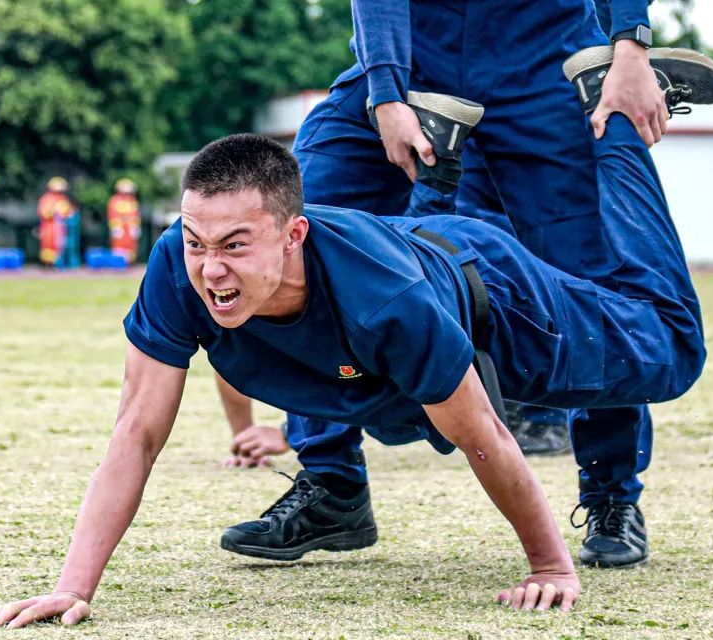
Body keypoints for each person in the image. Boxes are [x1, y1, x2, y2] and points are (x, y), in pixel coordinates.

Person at [0, 50, 713, 628]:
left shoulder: (387, 306)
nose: (210, 268)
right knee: (395, 409)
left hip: (495, 301)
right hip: (399, 276)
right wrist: (72, 587)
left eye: (235, 245)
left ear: (292, 234)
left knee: (671, 349)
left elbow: (486, 437)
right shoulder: (182, 265)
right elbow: (136, 432)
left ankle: (615, 118)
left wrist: (551, 566)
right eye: (198, 241)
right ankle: (441, 150)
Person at [221, 0, 685, 570]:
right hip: (411, 60)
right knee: (304, 234)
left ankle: (611, 496)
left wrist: (631, 47)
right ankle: (332, 483)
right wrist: (387, 92)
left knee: (591, 281)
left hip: (543, 59)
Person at [37, 177, 75, 268]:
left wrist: (68, 213)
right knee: (47, 244)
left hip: (60, 226)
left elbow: (68, 211)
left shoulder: (63, 198)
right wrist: (53, 212)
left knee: (59, 245)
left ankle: (57, 262)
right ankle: (46, 263)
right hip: (49, 226)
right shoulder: (47, 198)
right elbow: (43, 212)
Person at [107, 178, 142, 264]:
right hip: (120, 227)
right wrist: (115, 226)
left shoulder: (132, 201)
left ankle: (130, 263)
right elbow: (112, 214)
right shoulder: (114, 200)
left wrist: (136, 226)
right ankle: (118, 263)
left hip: (129, 228)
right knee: (118, 245)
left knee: (131, 246)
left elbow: (136, 214)